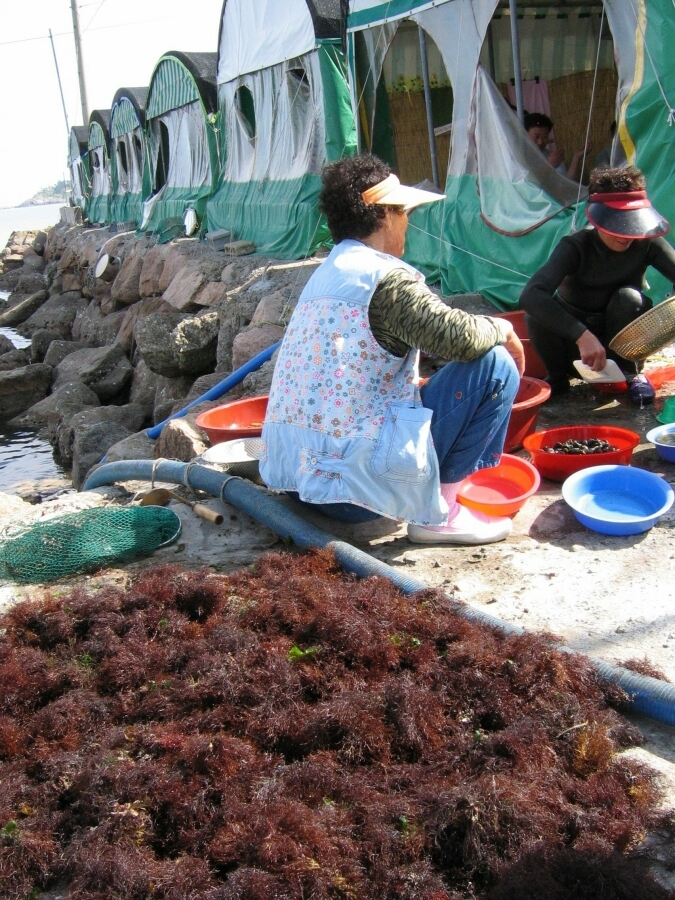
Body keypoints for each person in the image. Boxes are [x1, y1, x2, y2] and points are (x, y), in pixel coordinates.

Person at [260, 154, 524, 546]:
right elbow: (461, 339)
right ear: (385, 214)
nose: (408, 223)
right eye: (404, 214)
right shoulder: (384, 279)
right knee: (496, 364)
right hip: (354, 495)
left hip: (294, 478)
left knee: (434, 382)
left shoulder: (325, 275)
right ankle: (441, 514)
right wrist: (502, 327)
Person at [519, 165, 675, 403]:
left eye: (631, 223)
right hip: (577, 350)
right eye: (617, 224)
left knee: (629, 298)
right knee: (536, 314)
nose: (625, 234)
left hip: (622, 346)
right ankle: (558, 379)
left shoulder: (647, 242)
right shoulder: (576, 246)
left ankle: (631, 375)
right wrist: (581, 336)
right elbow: (531, 295)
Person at [524, 111, 589, 183]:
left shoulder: (553, 157)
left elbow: (567, 184)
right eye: (536, 137)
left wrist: (576, 158)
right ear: (525, 135)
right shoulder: (519, 156)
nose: (540, 142)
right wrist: (549, 166)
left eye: (545, 137)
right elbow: (527, 185)